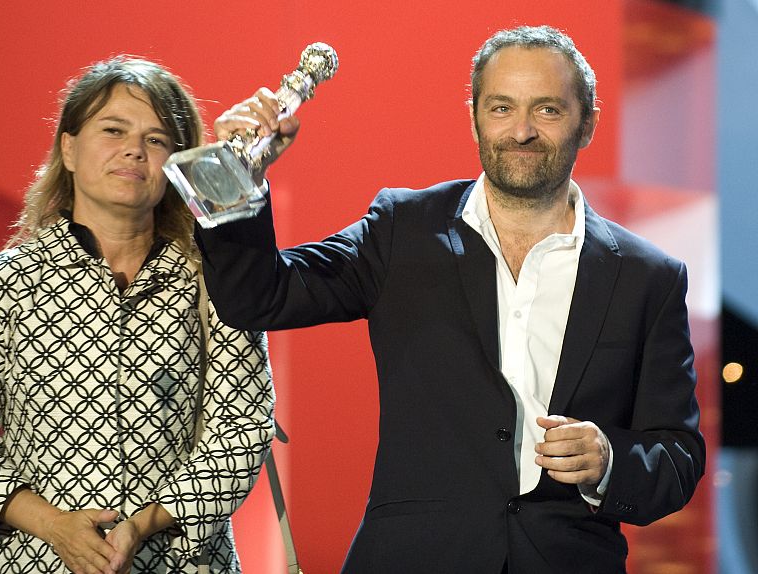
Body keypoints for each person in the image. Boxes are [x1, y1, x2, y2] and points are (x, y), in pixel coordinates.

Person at [196, 25, 706, 573]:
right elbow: (260, 296)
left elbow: (676, 455)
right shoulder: (401, 230)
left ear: (588, 122)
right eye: (502, 107)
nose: (522, 131)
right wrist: (236, 179)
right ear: (474, 118)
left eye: (548, 111)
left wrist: (609, 461)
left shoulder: (648, 277)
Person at [0, 56, 275, 574]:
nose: (134, 149)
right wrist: (55, 526)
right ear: (69, 149)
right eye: (113, 130)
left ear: (175, 164)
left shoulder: (211, 275)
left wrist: (145, 522)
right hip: (37, 560)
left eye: (156, 140)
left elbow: (242, 422)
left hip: (183, 562)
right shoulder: (9, 279)